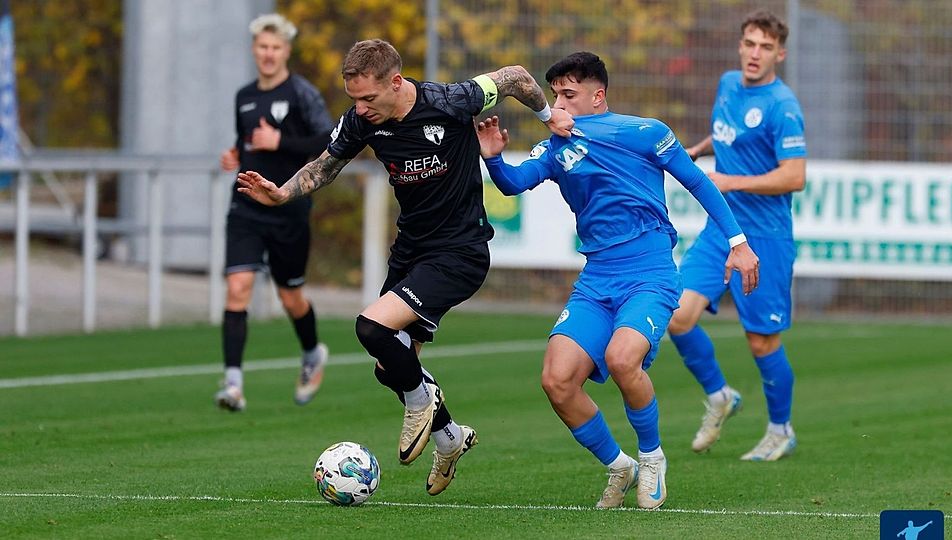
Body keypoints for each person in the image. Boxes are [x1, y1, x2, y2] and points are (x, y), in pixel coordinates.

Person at [235, 39, 574, 495]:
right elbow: (325, 166)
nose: (361, 108)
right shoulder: (362, 121)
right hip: (411, 252)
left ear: (396, 83)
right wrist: (281, 193)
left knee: (371, 328)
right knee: (388, 366)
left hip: (460, 252)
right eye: (354, 98)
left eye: (369, 98)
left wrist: (548, 117)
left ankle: (421, 402)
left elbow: (514, 76)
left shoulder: (450, 101)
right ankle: (449, 437)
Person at [476, 52, 759, 509]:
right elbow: (513, 182)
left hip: (650, 273)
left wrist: (738, 242)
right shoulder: (554, 148)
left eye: (568, 95)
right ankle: (619, 465)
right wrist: (492, 158)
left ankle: (651, 458)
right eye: (554, 96)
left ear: (597, 95)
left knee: (622, 358)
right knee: (556, 380)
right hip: (597, 279)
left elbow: (699, 183)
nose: (558, 104)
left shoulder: (645, 132)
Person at [666, 9, 806, 461]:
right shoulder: (728, 84)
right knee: (677, 317)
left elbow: (794, 176)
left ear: (779, 54)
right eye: (749, 43)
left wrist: (731, 181)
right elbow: (726, 136)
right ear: (740, 46)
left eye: (765, 47)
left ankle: (780, 429)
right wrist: (698, 150)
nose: (755, 53)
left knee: (761, 340)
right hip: (721, 231)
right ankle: (720, 395)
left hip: (765, 237)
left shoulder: (783, 107)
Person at [215, 14, 336, 412]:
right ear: (254, 50)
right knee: (238, 288)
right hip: (246, 207)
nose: (268, 54)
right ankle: (233, 384)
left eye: (276, 48)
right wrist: (235, 153)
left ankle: (311, 354)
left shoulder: (302, 93)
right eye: (262, 47)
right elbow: (245, 140)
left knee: (291, 297)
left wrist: (279, 140)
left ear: (286, 51)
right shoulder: (243, 95)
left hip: (289, 208)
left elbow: (328, 139)